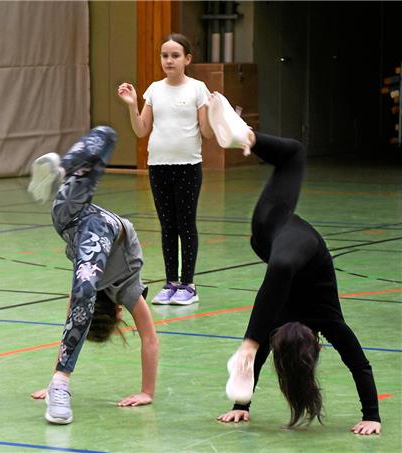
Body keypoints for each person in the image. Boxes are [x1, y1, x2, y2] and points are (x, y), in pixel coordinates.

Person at [207, 92, 382, 435]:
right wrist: (371, 416)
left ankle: (249, 136)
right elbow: (358, 364)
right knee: (282, 266)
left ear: (316, 345)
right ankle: (247, 136)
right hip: (270, 234)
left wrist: (241, 403)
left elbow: (360, 364)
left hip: (278, 236)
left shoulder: (322, 319)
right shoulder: (319, 318)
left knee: (295, 157)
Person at [27, 126, 160, 425]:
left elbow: (76, 318)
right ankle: (61, 167)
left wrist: (148, 390)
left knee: (108, 134)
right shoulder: (126, 291)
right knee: (107, 134)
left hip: (74, 218)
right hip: (75, 216)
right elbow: (148, 339)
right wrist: (146, 391)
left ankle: (59, 381)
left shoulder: (125, 292)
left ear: (115, 312)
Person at [117, 33, 213, 306]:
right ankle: (171, 282)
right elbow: (141, 130)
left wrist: (214, 111)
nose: (169, 60)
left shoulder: (197, 89)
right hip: (158, 166)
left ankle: (189, 285)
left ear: (187, 59)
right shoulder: (154, 90)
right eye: (164, 56)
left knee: (186, 223)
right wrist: (132, 105)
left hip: (188, 166)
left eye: (175, 55)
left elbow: (205, 132)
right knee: (167, 225)